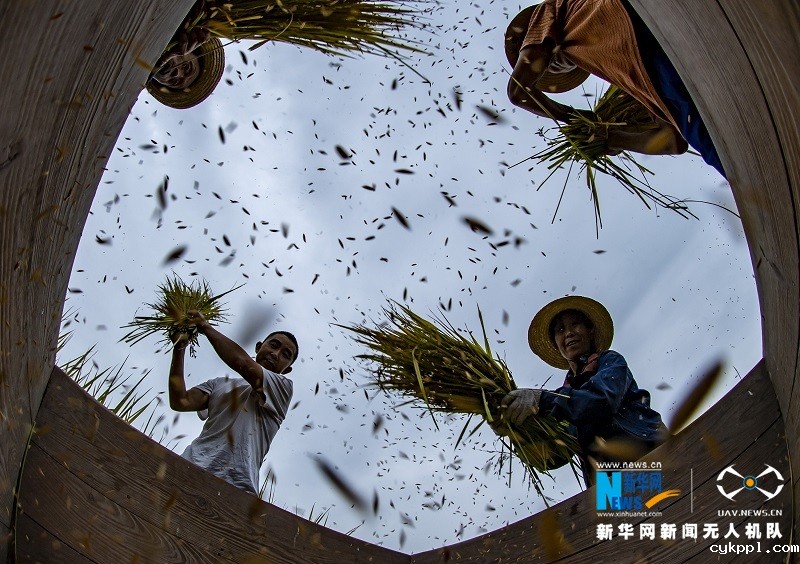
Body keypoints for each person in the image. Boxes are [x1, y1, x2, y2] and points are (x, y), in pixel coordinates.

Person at [504, 0, 726, 176]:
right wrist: (610, 138)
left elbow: (517, 91)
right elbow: (672, 141)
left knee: (717, 145)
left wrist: (573, 117)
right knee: (714, 140)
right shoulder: (616, 65)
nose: (548, 67)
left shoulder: (548, 12)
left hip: (638, 27)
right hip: (664, 65)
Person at [498, 296, 668, 486]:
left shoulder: (610, 362)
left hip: (655, 462)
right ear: (556, 344)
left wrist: (541, 398)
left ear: (590, 331)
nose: (569, 333)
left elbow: (601, 401)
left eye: (575, 324)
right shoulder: (565, 398)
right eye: (560, 330)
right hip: (609, 487)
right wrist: (516, 431)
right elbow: (553, 457)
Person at [168, 309, 298, 494]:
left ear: (287, 369)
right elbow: (180, 401)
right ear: (259, 347)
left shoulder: (283, 389)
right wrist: (180, 347)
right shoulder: (219, 384)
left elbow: (243, 363)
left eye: (286, 354)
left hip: (236, 486)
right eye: (273, 345)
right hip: (189, 466)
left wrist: (204, 326)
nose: (276, 354)